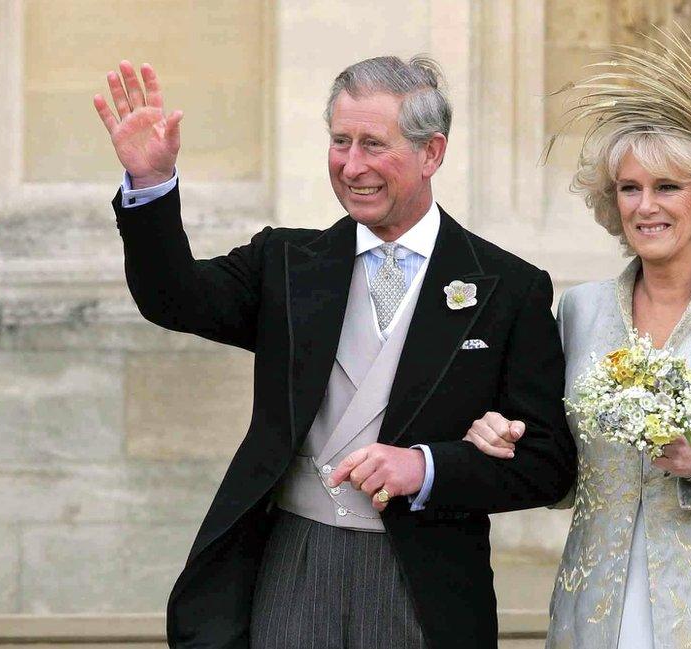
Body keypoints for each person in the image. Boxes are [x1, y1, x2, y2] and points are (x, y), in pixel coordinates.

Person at [93, 55, 576, 648]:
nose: (352, 166)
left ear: (432, 153)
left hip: (424, 582)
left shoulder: (509, 288)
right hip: (293, 563)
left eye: (374, 144)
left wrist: (426, 467)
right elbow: (174, 298)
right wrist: (151, 186)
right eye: (340, 142)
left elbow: (548, 467)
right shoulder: (287, 264)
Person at [464, 32, 691, 648]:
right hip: (595, 606)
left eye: (667, 187)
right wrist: (502, 437)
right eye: (629, 188)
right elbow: (559, 467)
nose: (645, 206)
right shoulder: (579, 310)